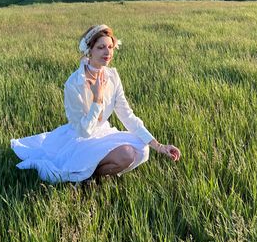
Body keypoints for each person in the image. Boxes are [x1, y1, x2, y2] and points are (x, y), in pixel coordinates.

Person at [11, 24, 181, 183]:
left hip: (103, 133)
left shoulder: (112, 76)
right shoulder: (74, 83)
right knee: (126, 154)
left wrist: (159, 146)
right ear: (89, 51)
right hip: (79, 138)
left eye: (110, 47)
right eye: (100, 47)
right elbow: (83, 131)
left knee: (143, 150)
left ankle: (91, 175)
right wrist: (97, 99)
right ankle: (85, 177)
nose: (107, 52)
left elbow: (127, 115)